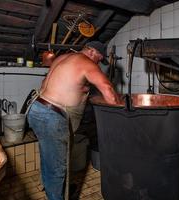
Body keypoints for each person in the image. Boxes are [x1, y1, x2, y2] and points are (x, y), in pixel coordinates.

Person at [27, 41, 120, 200]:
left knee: (48, 157)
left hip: (37, 109)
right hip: (52, 117)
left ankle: (55, 189)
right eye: (99, 58)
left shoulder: (63, 58)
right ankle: (56, 195)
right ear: (91, 52)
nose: (98, 62)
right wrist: (121, 114)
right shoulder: (86, 62)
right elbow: (107, 88)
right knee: (57, 167)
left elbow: (51, 84)